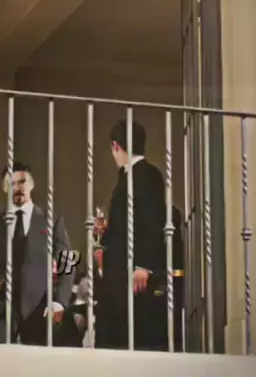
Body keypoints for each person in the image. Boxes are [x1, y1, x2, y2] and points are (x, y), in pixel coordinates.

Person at [0, 161, 74, 345]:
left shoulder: (51, 220)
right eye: (11, 183)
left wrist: (60, 301)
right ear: (5, 188)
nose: (17, 188)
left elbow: (67, 260)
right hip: (0, 310)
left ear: (32, 184)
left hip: (41, 310)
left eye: (22, 181)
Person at [95, 120, 167, 351]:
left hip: (133, 271)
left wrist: (144, 265)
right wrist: (106, 230)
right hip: (120, 271)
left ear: (115, 146)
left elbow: (152, 221)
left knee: (132, 336)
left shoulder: (147, 174)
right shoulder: (128, 176)